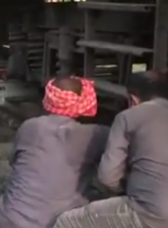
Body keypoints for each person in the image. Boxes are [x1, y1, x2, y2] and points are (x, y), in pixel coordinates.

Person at [53, 70, 168, 228]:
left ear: (133, 99)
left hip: (152, 212)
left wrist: (126, 186)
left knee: (66, 221)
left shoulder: (128, 117)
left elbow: (108, 177)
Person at [0, 76, 109, 228]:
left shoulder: (29, 126)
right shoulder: (97, 134)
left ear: (49, 98)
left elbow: (13, 162)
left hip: (8, 220)